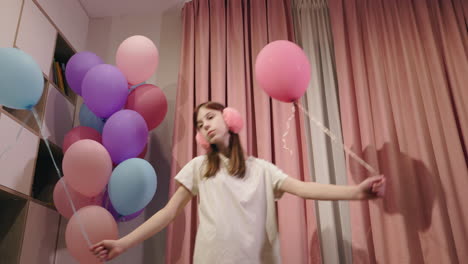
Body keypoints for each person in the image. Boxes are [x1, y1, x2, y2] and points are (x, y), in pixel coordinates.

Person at [90, 101, 386, 263]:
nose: (205, 125)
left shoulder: (263, 171)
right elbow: (167, 214)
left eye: (209, 117)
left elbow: (305, 188)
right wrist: (122, 243)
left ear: (229, 119)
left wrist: (357, 193)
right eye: (200, 124)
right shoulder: (198, 168)